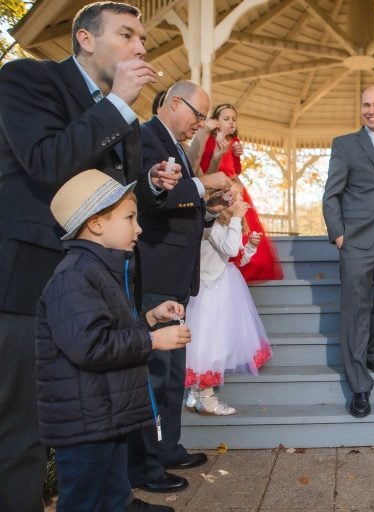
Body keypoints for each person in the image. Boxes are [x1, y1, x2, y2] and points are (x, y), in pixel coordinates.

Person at [0, 3, 178, 510]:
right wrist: (120, 104)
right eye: (127, 34)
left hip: (102, 284)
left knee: (104, 406)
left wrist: (149, 187)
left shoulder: (118, 110)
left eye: (143, 39)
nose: (141, 47)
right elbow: (46, 162)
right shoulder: (28, 80)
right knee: (26, 426)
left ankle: (112, 500)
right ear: (84, 39)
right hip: (31, 280)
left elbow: (104, 199)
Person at [37, 170, 191, 512]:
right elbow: (90, 347)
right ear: (96, 224)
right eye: (130, 217)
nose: (138, 228)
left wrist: (150, 318)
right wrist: (152, 340)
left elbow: (108, 329)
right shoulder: (75, 276)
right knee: (85, 500)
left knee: (112, 493)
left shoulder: (96, 270)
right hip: (85, 423)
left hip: (106, 415)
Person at [128, 80, 231, 493]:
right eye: (198, 115)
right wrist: (207, 184)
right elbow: (153, 199)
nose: (200, 125)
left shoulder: (173, 143)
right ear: (175, 103)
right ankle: (147, 465)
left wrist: (208, 212)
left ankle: (169, 447)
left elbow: (181, 208)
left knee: (173, 375)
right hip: (154, 273)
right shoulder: (146, 137)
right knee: (155, 375)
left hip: (177, 278)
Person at [322, 85, 374, 418]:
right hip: (356, 239)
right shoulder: (345, 144)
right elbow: (331, 194)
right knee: (355, 310)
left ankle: (372, 350)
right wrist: (339, 235)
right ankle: (359, 386)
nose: (371, 110)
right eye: (366, 105)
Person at [184, 181, 272, 415]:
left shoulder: (226, 225)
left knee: (217, 340)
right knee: (210, 343)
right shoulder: (209, 223)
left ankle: (195, 393)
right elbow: (230, 249)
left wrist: (250, 248)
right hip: (209, 289)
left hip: (225, 284)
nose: (239, 201)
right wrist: (236, 220)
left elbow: (235, 259)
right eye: (234, 196)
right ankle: (207, 397)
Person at [190, 103, 283, 281]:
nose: (231, 123)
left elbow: (237, 169)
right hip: (217, 185)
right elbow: (203, 167)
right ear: (216, 121)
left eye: (234, 119)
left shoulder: (235, 142)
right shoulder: (209, 140)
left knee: (243, 223)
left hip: (233, 183)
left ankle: (243, 258)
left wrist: (238, 156)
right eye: (226, 119)